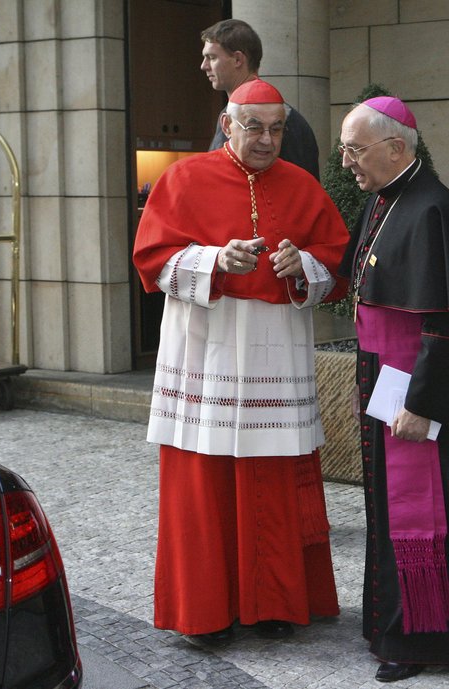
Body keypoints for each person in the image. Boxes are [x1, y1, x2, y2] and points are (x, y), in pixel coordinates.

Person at [132, 79, 349, 647]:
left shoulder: (303, 186)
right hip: (205, 350)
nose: (267, 139)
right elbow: (153, 261)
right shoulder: (182, 179)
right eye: (254, 127)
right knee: (202, 482)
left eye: (277, 128)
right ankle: (207, 611)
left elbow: (335, 263)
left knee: (274, 480)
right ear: (228, 124)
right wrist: (213, 259)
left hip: (276, 356)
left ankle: (274, 604)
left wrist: (302, 264)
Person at [338, 96, 449, 682]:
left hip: (419, 387)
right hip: (382, 378)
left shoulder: (434, 208)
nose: (346, 162)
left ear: (396, 148)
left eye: (355, 150)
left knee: (427, 513)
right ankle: (392, 625)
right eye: (345, 149)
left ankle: (426, 640)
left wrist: (420, 403)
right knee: (387, 510)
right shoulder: (382, 202)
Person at [200, 18, 321, 180]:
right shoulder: (286, 115)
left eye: (212, 57)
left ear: (237, 59)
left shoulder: (286, 118)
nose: (204, 66)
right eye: (254, 127)